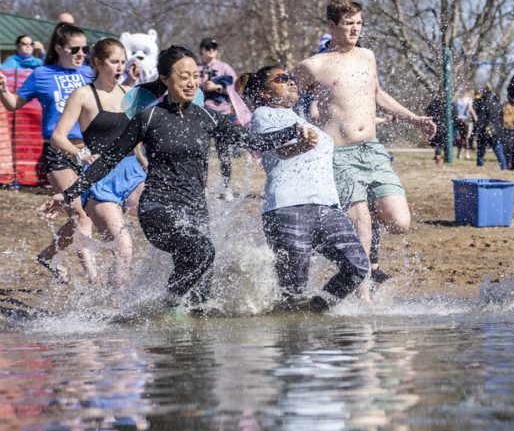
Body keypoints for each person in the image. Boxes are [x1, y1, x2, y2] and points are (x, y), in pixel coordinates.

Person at [40, 45, 313, 313]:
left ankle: (178, 337)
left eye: (195, 76)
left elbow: (253, 140)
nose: (192, 82)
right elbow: (108, 160)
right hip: (158, 209)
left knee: (202, 291)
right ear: (165, 79)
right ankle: (164, 310)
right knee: (202, 251)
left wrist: (293, 130)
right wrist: (67, 193)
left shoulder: (207, 117)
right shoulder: (148, 118)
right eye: (184, 77)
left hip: (195, 211)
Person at [293, 0, 436, 298]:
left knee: (399, 221)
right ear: (332, 25)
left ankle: (335, 235)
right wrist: (300, 129)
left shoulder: (367, 56)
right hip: (339, 154)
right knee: (363, 228)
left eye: (358, 22)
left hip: (372, 150)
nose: (355, 28)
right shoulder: (312, 65)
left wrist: (413, 119)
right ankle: (365, 302)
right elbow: (285, 101)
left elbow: (378, 94)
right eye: (348, 23)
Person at [241, 66, 369, 310]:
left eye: (291, 77)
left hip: (327, 207)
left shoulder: (301, 119)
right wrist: (301, 146)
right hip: (288, 208)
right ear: (265, 93)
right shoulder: (263, 115)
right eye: (281, 79)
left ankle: (316, 311)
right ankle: (292, 334)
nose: (291, 82)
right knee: (293, 290)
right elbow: (279, 151)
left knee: (357, 265)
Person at [0, 22, 95, 284]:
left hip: (88, 152)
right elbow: (14, 105)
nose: (81, 53)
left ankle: (49, 256)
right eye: (75, 48)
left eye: (84, 48)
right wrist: (3, 89)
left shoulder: (89, 73)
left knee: (85, 216)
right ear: (58, 48)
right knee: (79, 215)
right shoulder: (42, 74)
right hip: (57, 152)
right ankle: (94, 280)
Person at [49, 38, 147, 291]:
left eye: (123, 62)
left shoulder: (129, 94)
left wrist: (142, 158)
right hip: (101, 181)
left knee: (165, 227)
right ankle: (113, 309)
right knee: (123, 249)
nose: (120, 67)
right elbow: (58, 137)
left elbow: (131, 136)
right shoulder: (83, 95)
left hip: (134, 175)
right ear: (97, 62)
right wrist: (80, 155)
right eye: (114, 62)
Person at [198, 37, 238, 200]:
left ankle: (227, 188)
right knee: (202, 152)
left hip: (222, 114)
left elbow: (235, 86)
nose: (211, 50)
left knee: (224, 152)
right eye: (208, 47)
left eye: (214, 47)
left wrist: (218, 87)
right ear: (201, 50)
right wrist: (202, 86)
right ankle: (203, 187)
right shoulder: (196, 67)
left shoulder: (224, 67)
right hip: (202, 113)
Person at [473, 84, 508, 169]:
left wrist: (475, 132)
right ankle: (504, 168)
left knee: (481, 150)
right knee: (498, 150)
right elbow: (501, 119)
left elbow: (481, 119)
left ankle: (479, 167)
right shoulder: (497, 103)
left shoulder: (483, 103)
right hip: (496, 130)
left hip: (485, 129)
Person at [426, 92, 449, 163]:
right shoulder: (447, 104)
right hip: (445, 126)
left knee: (437, 143)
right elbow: (454, 115)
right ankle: (446, 158)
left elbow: (428, 113)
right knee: (445, 142)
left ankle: (438, 155)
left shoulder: (433, 104)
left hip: (436, 125)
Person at [453, 90, 476, 159]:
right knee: (466, 137)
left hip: (458, 120)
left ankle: (459, 153)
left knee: (459, 137)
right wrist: (475, 117)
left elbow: (455, 110)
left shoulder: (457, 100)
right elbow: (470, 109)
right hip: (466, 120)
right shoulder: (468, 99)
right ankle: (467, 153)